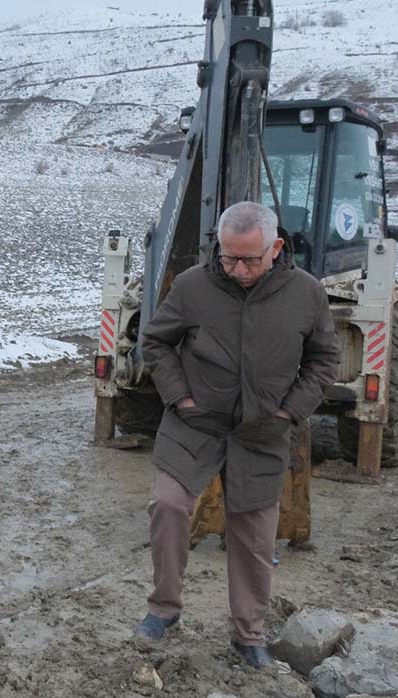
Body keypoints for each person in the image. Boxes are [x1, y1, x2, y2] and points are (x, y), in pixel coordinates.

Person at [134, 201, 338, 668]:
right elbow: (156, 342)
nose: (238, 268)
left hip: (262, 432)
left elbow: (324, 360)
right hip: (194, 424)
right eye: (229, 257)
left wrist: (291, 410)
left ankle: (249, 636)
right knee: (167, 505)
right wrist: (179, 396)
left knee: (253, 536)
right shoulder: (192, 286)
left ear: (276, 248)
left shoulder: (306, 294)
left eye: (249, 258)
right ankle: (163, 610)